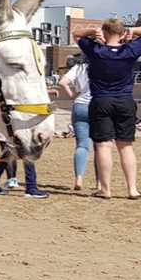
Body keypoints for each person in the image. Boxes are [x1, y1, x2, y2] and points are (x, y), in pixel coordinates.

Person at [73, 19, 141, 200]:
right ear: (122, 33)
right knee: (126, 146)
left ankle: (106, 189)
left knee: (103, 146)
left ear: (104, 31)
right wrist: (132, 30)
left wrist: (92, 31)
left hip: (101, 100)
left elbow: (77, 34)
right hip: (125, 100)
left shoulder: (96, 50)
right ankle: (132, 189)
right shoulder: (129, 50)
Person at [0, 128, 48, 199]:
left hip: (11, 130)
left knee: (9, 155)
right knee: (28, 153)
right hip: (13, 130)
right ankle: (31, 188)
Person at [58, 59, 92, 190]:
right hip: (98, 104)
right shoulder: (103, 63)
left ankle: (79, 178)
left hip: (80, 105)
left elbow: (62, 82)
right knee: (100, 146)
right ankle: (100, 183)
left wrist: (72, 94)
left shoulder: (79, 68)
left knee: (82, 145)